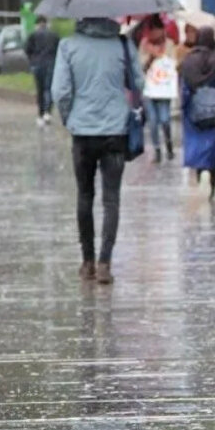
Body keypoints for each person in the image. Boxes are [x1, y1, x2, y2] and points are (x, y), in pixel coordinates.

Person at [51, 17, 143, 285]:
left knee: (84, 195)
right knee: (111, 198)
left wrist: (70, 118)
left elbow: (60, 91)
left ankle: (87, 261)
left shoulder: (68, 46)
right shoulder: (123, 45)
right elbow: (139, 82)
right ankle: (105, 262)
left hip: (83, 132)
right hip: (116, 131)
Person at [180, 27, 215, 199]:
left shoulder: (189, 59)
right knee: (213, 145)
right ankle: (212, 178)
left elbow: (184, 86)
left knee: (198, 145)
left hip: (195, 110)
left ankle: (201, 173)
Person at [140, 14, 178, 163]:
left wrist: (163, 56)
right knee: (153, 121)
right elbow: (140, 66)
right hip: (149, 89)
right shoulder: (144, 44)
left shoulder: (169, 44)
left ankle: (168, 145)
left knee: (165, 119)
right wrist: (150, 57)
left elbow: (173, 64)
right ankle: (157, 149)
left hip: (164, 88)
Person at [26, 16, 60, 126]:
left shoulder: (33, 35)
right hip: (51, 64)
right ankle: (48, 112)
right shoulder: (54, 35)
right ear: (46, 23)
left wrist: (32, 61)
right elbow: (59, 50)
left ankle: (40, 113)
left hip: (37, 65)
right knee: (48, 89)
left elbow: (27, 50)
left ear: (37, 24)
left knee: (40, 89)